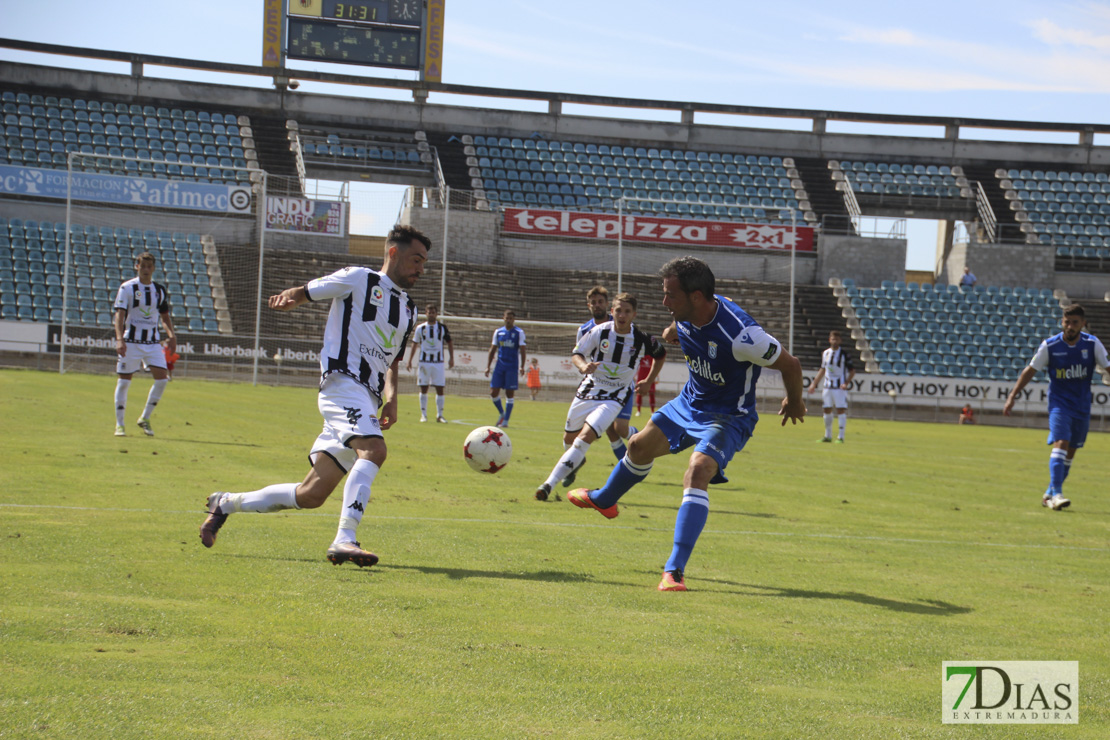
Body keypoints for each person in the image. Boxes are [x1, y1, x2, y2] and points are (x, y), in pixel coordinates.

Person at [567, 257, 806, 592]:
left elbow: (791, 365)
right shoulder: (685, 316)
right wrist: (671, 332)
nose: (664, 302)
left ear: (696, 296)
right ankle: (605, 499)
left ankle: (674, 571)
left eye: (670, 296)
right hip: (689, 403)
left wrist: (794, 401)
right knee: (636, 446)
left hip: (728, 416)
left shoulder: (743, 335)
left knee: (697, 470)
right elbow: (673, 330)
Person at [199, 225, 430, 567]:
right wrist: (292, 297)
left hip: (366, 396)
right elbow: (308, 290)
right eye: (416, 259)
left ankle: (225, 503)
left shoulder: (409, 310)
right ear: (393, 253)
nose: (421, 268)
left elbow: (393, 362)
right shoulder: (358, 279)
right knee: (374, 449)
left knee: (310, 495)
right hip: (342, 384)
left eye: (424, 262)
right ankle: (345, 539)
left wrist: (392, 398)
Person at [534, 293, 666, 502]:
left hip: (615, 396)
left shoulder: (642, 338)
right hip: (589, 389)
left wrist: (649, 381)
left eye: (627, 311)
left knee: (586, 437)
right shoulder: (599, 332)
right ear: (612, 311)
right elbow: (577, 353)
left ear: (634, 314)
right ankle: (577, 462)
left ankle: (548, 484)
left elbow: (660, 354)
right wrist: (583, 366)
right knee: (569, 439)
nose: (622, 315)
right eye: (618, 310)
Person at [1002, 303, 1109, 511]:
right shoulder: (1050, 346)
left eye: (1074, 323)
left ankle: (1050, 493)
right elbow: (1030, 371)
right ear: (1062, 322)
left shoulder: (1092, 344)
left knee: (1071, 451)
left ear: (1083, 324)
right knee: (1061, 441)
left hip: (1082, 406)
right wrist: (1013, 395)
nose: (1069, 326)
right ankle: (1058, 495)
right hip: (1059, 404)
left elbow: (1108, 367)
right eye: (1066, 322)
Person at [563, 285, 640, 486]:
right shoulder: (585, 330)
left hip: (621, 387)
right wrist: (584, 367)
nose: (597, 305)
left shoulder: (620, 322)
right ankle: (622, 466)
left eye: (601, 302)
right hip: (596, 385)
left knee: (619, 429)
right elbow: (580, 354)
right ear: (589, 305)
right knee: (605, 429)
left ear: (608, 304)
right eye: (593, 302)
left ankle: (641, 445)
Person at [112, 252, 177, 437]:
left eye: (149, 266)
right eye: (143, 266)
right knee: (124, 381)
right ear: (137, 266)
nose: (146, 270)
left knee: (162, 379)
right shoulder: (127, 288)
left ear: (153, 268)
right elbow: (120, 315)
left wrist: (171, 335)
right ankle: (120, 424)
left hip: (152, 342)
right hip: (131, 342)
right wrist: (119, 339)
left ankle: (145, 418)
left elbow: (164, 316)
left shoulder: (159, 290)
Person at [405, 303, 454, 423]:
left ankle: (440, 415)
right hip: (424, 362)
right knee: (423, 388)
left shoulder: (442, 328)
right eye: (429, 312)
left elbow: (449, 342)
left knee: (440, 388)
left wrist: (452, 358)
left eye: (433, 312)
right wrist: (410, 360)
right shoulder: (420, 328)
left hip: (438, 362)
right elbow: (415, 343)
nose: (431, 314)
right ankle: (424, 415)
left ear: (436, 314)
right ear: (426, 314)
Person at [807, 330, 856, 443]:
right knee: (826, 409)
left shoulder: (844, 354)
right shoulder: (825, 353)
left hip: (839, 388)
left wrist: (846, 383)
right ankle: (827, 435)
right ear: (829, 340)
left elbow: (852, 371)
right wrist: (814, 384)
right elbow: (823, 369)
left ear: (840, 341)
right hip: (827, 387)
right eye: (833, 339)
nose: (834, 341)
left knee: (840, 410)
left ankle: (841, 436)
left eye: (837, 339)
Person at [486, 309, 526, 427]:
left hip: (512, 367)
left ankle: (506, 421)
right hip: (499, 366)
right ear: (503, 318)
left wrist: (522, 366)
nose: (508, 320)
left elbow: (523, 351)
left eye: (510, 318)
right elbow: (492, 350)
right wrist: (487, 367)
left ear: (514, 320)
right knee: (493, 392)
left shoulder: (519, 332)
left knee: (509, 394)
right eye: (506, 318)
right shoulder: (498, 332)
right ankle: (502, 413)